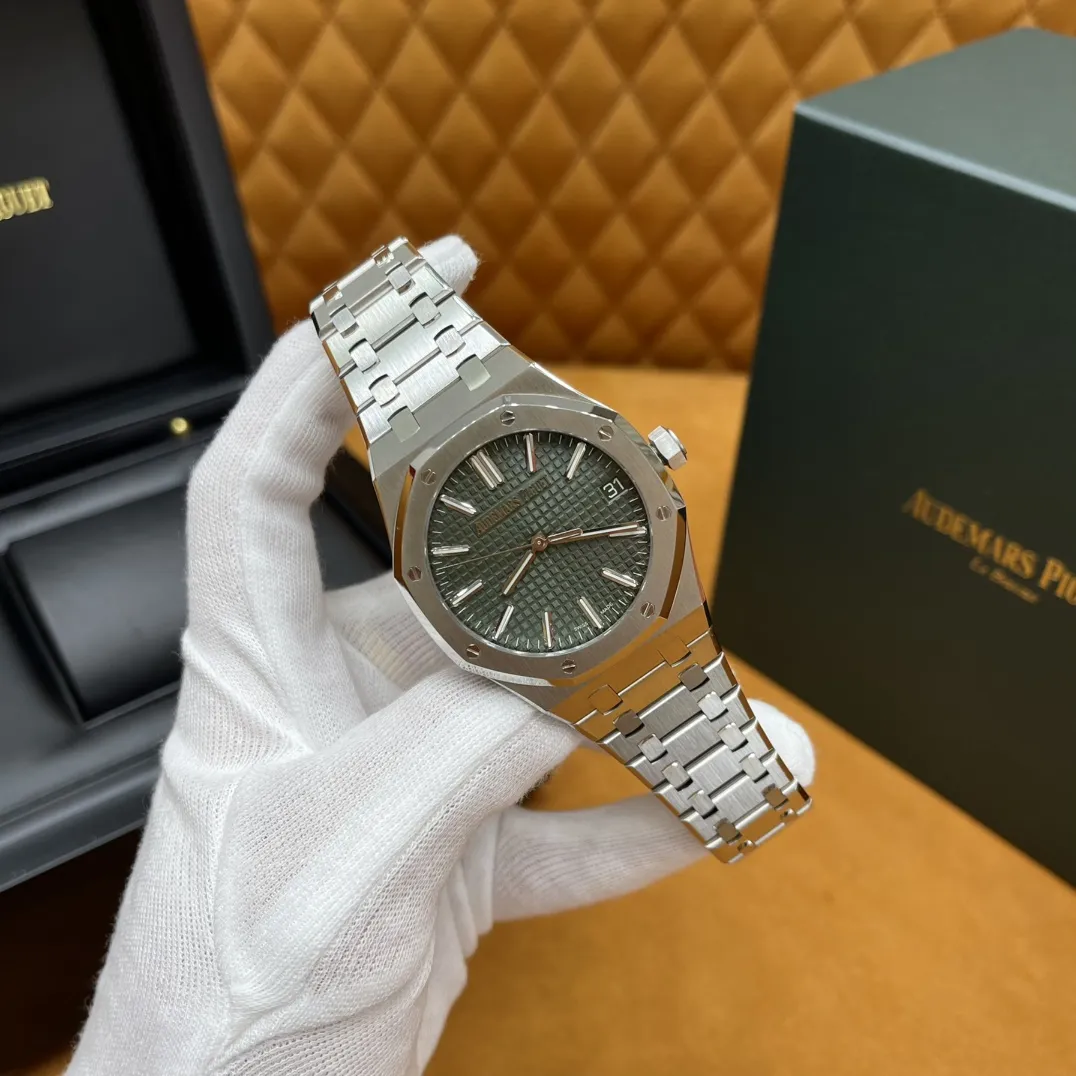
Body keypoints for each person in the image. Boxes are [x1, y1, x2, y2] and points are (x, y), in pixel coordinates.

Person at [66, 237, 814, 1075]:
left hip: (612, 609)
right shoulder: (445, 527)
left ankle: (743, 795)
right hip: (562, 620)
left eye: (547, 537)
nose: (539, 541)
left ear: (652, 461)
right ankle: (742, 799)